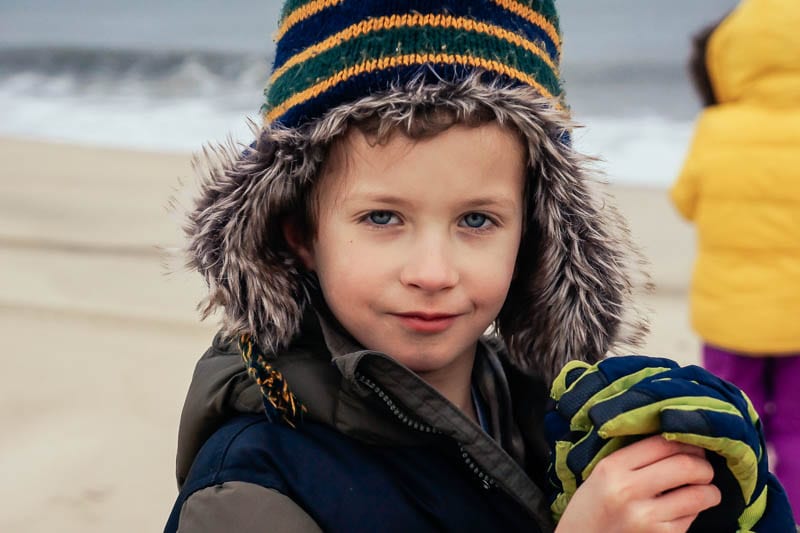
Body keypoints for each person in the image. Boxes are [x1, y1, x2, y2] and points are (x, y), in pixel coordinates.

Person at [165, 1, 790, 532]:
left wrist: (730, 504)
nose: (433, 272)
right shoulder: (250, 487)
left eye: (476, 221)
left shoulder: (555, 425)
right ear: (300, 233)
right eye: (383, 218)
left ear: (535, 232)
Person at [671, 0, 800, 522]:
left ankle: (733, 510)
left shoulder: (717, 128)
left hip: (729, 314)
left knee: (730, 421)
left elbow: (686, 200)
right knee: (797, 428)